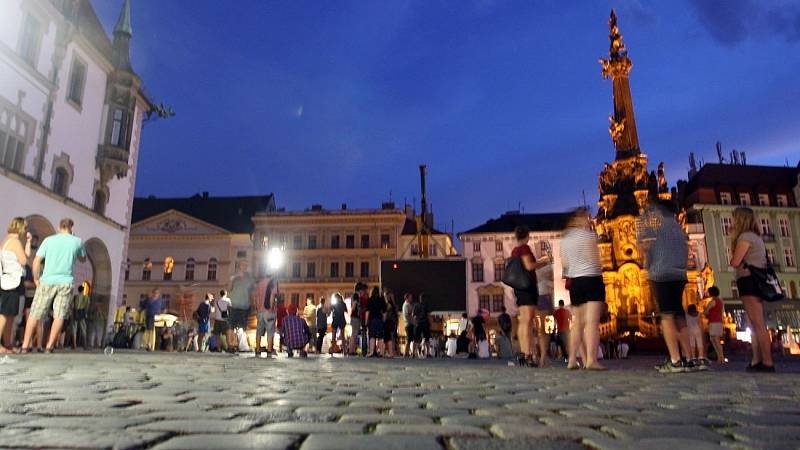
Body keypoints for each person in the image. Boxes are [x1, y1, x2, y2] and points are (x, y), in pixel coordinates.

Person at [638, 201, 695, 373]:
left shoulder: (657, 230)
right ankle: (690, 358)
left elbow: (647, 251)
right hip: (679, 275)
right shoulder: (679, 230)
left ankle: (675, 360)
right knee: (679, 316)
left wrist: (645, 253)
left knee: (667, 317)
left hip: (661, 274)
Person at [20, 218, 86, 353]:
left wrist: (36, 278)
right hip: (65, 282)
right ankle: (49, 346)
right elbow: (83, 259)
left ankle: (25, 345)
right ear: (71, 228)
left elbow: (37, 260)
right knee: (59, 315)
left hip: (47, 280)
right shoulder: (77, 241)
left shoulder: (49, 240)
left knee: (34, 313)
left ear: (59, 227)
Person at [560, 208, 607, 370]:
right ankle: (591, 361)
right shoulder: (589, 235)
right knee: (592, 323)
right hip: (592, 279)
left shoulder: (564, 239)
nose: (589, 220)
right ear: (580, 219)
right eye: (587, 217)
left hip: (576, 282)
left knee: (578, 323)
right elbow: (594, 259)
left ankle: (572, 359)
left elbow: (565, 263)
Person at [729, 207, 774, 372]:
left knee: (758, 324)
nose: (732, 222)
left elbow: (735, 261)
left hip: (749, 281)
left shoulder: (745, 237)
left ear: (740, 220)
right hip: (752, 281)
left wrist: (732, 239)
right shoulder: (755, 237)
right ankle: (756, 360)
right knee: (754, 324)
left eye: (734, 218)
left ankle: (767, 362)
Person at [511, 225, 551, 367]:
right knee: (528, 322)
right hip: (528, 287)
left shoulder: (514, 250)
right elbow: (529, 266)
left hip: (519, 288)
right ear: (527, 236)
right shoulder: (524, 248)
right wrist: (544, 262)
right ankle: (528, 355)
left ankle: (523, 353)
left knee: (523, 322)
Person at [1, 217, 31, 353]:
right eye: (25, 228)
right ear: (20, 227)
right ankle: (3, 344)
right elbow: (24, 260)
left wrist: (29, 242)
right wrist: (26, 242)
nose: (25, 231)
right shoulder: (15, 241)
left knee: (11, 314)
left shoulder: (6, 240)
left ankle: (8, 343)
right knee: (4, 314)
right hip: (12, 281)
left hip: (8, 280)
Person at [228, 261, 255, 338]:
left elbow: (252, 293)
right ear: (238, 266)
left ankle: (239, 345)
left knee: (242, 327)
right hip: (233, 305)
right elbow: (228, 289)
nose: (244, 266)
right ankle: (231, 346)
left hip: (245, 306)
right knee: (231, 326)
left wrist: (253, 304)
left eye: (246, 265)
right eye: (242, 264)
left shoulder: (250, 278)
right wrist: (232, 279)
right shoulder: (232, 276)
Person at [254, 276, 279, 357]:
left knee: (259, 331)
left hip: (260, 312)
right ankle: (269, 350)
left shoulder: (259, 283)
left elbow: (256, 298)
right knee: (270, 332)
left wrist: (257, 310)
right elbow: (272, 296)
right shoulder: (273, 283)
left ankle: (257, 350)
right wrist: (271, 308)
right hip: (269, 311)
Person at [705, 286, 725, 364]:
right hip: (718, 322)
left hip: (714, 322)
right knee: (714, 340)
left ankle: (721, 358)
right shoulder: (719, 301)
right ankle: (720, 358)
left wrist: (706, 312)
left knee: (715, 340)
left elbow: (706, 310)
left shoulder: (713, 301)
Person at [366, 287, 386, 357]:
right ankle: (382, 352)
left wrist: (366, 321)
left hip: (372, 319)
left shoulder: (370, 300)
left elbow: (367, 311)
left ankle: (371, 352)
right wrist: (384, 320)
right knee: (380, 337)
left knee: (372, 336)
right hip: (379, 319)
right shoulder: (381, 300)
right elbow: (384, 312)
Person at [71, 285, 90, 350]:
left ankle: (74, 345)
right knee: (83, 329)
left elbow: (72, 306)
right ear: (83, 290)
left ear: (78, 290)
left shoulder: (75, 297)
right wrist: (86, 313)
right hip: (82, 313)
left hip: (75, 313)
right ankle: (84, 345)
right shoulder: (86, 298)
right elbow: (87, 307)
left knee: (74, 328)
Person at [413, 293, 431, 358]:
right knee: (427, 339)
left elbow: (414, 316)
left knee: (416, 339)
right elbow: (428, 315)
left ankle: (413, 353)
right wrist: (430, 323)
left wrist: (415, 323)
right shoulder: (426, 305)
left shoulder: (416, 305)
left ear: (419, 298)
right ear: (425, 299)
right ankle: (428, 353)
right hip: (425, 323)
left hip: (418, 324)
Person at [383, 291, 398, 358]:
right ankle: (392, 352)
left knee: (388, 337)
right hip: (393, 321)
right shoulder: (393, 304)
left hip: (388, 322)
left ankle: (390, 352)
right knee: (392, 337)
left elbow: (386, 313)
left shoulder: (388, 304)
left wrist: (383, 320)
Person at [402, 293, 415, 357]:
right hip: (408, 324)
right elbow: (407, 314)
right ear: (407, 298)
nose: (411, 298)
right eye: (410, 297)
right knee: (409, 339)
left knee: (410, 339)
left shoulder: (409, 305)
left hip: (411, 323)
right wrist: (412, 314)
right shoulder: (406, 305)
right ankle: (405, 353)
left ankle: (407, 353)